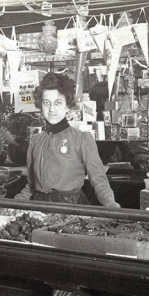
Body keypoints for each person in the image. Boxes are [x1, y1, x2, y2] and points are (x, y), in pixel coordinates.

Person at [15, 73, 120, 207]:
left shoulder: (82, 139)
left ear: (67, 106)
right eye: (46, 103)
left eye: (58, 103)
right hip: (39, 207)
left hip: (72, 207)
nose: (51, 109)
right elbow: (31, 186)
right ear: (41, 105)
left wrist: (111, 204)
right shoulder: (36, 140)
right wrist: (13, 204)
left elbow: (99, 180)